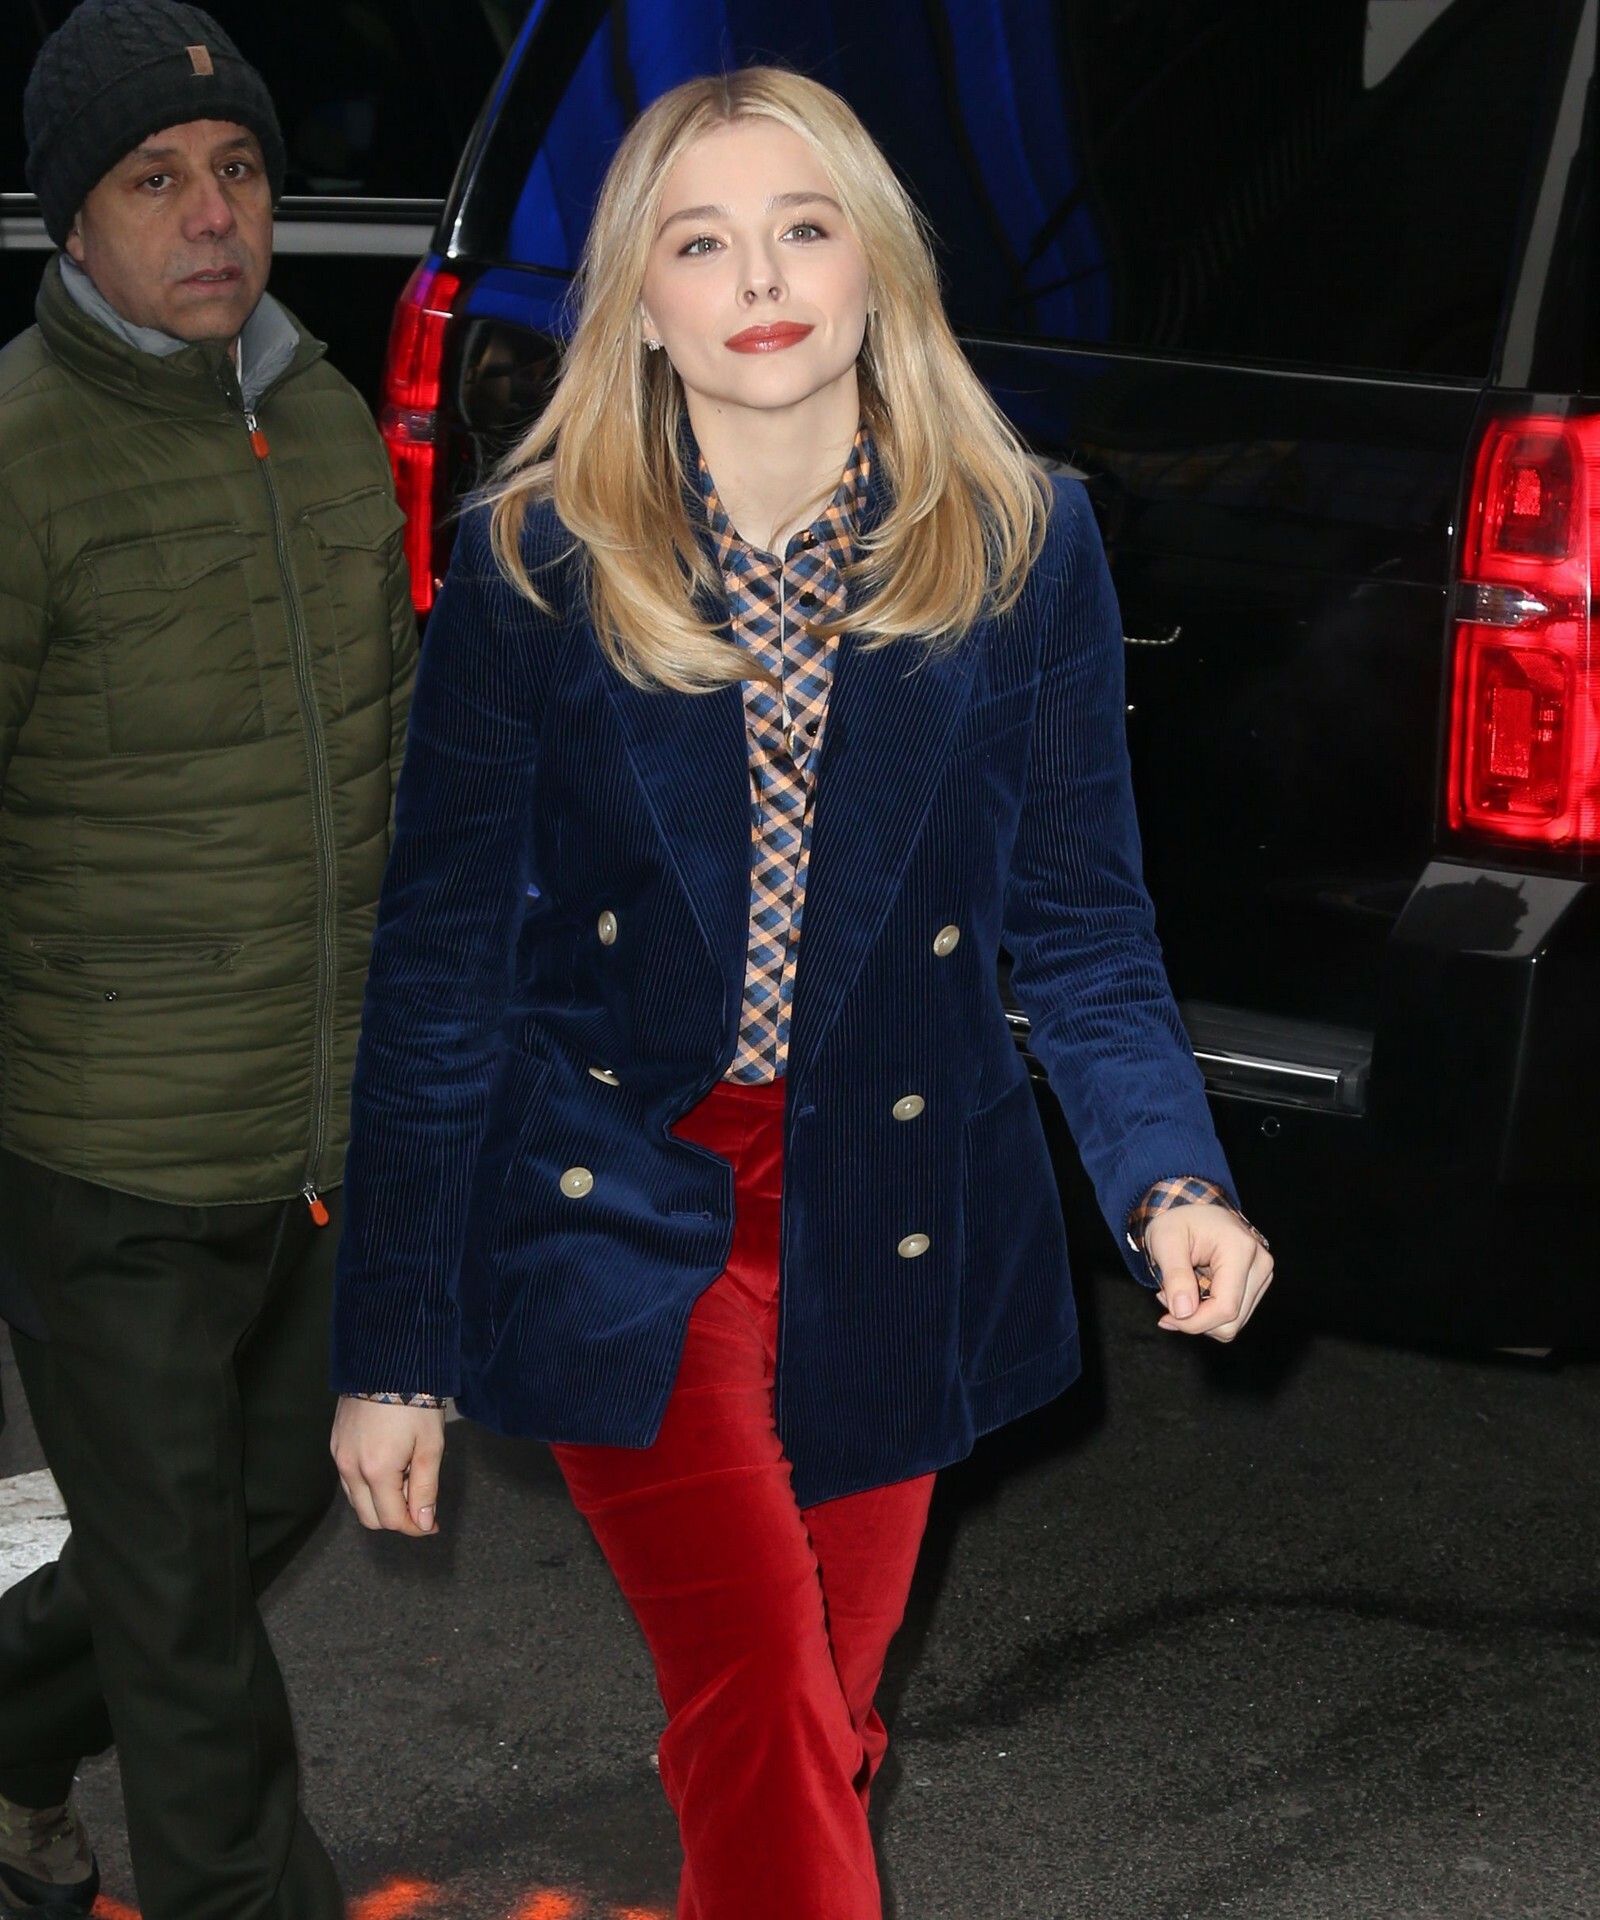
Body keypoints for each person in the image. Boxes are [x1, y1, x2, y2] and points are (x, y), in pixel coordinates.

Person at [331, 66, 1272, 1920]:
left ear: (876, 266)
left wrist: (1172, 1177)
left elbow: (1081, 923)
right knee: (763, 1694)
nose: (758, 276)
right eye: (700, 242)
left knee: (813, 1714)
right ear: (640, 302)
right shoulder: (535, 564)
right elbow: (442, 973)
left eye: (802, 226)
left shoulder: (1019, 544)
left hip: (896, 1198)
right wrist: (395, 1343)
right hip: (622, 1194)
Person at [0, 3, 417, 1914]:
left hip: (321, 1126)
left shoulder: (322, 420)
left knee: (240, 1523)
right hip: (104, 1156)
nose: (212, 213)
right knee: (185, 1639)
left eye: (238, 168)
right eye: (154, 179)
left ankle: (8, 1727)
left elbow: (391, 760)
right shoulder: (23, 457)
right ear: (71, 224)